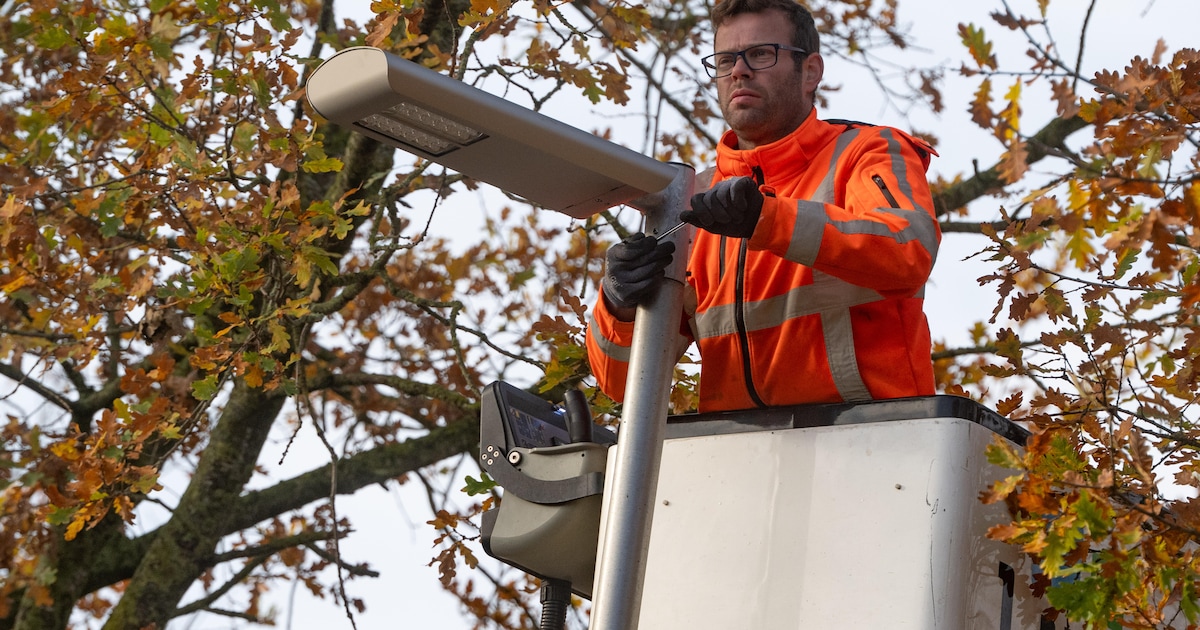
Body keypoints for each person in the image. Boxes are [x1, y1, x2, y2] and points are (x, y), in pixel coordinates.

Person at [585, 0, 941, 413]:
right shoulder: (690, 199)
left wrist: (767, 219)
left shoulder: (866, 151)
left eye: (760, 54)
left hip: (872, 440)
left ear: (810, 72)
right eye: (725, 60)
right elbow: (623, 384)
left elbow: (907, 252)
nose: (738, 70)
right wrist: (620, 305)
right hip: (740, 456)